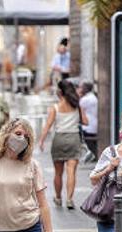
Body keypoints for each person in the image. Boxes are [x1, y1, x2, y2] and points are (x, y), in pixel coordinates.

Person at [38, 80, 87, 209]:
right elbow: (86, 122)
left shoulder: (55, 107)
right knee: (71, 172)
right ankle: (70, 199)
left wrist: (41, 141)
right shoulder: (77, 106)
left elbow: (48, 125)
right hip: (74, 138)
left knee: (58, 173)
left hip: (59, 139)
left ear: (60, 92)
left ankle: (58, 198)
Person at [78, 80, 98, 158]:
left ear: (85, 88)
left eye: (81, 87)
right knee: (92, 142)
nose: (79, 89)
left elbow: (78, 108)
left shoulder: (85, 99)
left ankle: (93, 154)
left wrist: (78, 96)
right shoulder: (93, 97)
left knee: (89, 142)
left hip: (87, 125)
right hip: (93, 124)